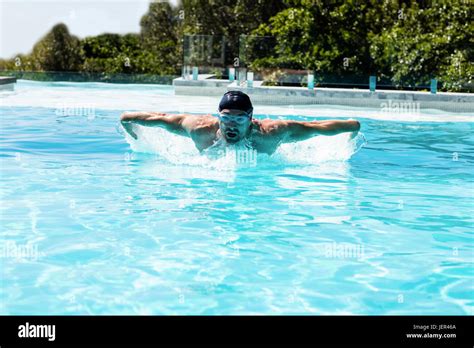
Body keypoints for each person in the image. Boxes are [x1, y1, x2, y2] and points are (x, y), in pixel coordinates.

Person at [120, 90, 360, 155]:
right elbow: (157, 119)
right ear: (218, 117)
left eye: (238, 118)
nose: (231, 124)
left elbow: (317, 128)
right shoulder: (199, 129)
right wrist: (132, 133)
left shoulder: (272, 133)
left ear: (250, 118)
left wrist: (351, 128)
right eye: (226, 118)